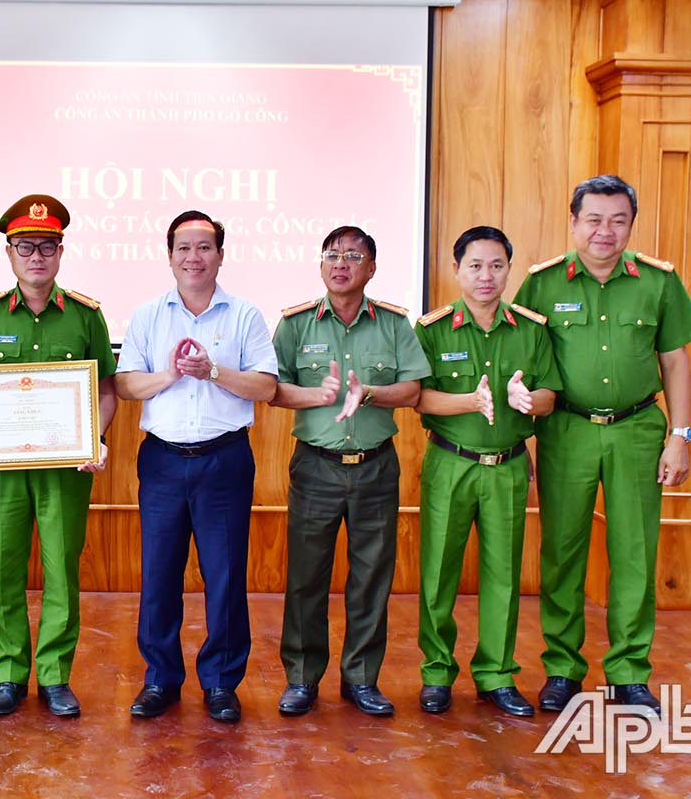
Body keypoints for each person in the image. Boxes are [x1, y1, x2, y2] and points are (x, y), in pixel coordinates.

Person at [515, 175, 691, 717]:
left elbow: (675, 361)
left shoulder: (658, 282)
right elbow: (523, 369)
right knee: (562, 552)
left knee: (635, 553)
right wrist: (520, 441)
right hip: (566, 433)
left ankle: (628, 672)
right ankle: (561, 668)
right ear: (573, 222)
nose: (605, 231)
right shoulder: (541, 284)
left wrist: (681, 437)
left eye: (617, 220)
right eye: (594, 219)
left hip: (637, 430)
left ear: (631, 225)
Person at [0, 194, 117, 718]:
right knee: (4, 568)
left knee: (62, 569)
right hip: (3, 471)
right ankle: (9, 674)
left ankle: (54, 675)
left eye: (47, 246)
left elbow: (106, 390)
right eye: (26, 246)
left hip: (67, 468)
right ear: (9, 253)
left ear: (61, 252)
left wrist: (98, 438)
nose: (36, 256)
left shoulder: (87, 316)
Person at [115, 210, 278, 724]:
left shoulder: (245, 315)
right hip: (163, 461)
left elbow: (266, 387)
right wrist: (168, 374)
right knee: (159, 573)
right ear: (169, 257)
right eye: (183, 248)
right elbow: (125, 385)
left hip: (224, 460)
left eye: (204, 247)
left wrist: (213, 371)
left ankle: (221, 683)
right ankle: (160, 678)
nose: (194, 257)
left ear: (220, 256)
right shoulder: (147, 315)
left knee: (225, 575)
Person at [268, 225, 428, 718]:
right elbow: (273, 389)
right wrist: (317, 395)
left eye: (353, 256)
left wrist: (371, 393)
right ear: (321, 265)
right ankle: (301, 678)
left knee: (371, 579)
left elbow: (414, 391)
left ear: (371, 268)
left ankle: (361, 678)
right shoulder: (295, 325)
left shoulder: (396, 325)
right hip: (316, 467)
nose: (341, 263)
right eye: (332, 255)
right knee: (305, 578)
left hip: (377, 467)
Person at [412, 226, 560, 717]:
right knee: (438, 574)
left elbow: (549, 396)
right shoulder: (431, 329)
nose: (486, 276)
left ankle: (496, 675)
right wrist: (470, 402)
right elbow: (418, 398)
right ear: (456, 270)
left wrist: (528, 400)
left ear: (508, 269)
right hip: (450, 463)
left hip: (508, 468)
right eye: (475, 266)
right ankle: (436, 673)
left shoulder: (532, 329)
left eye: (496, 265)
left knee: (503, 575)